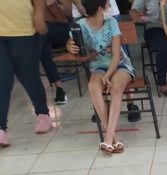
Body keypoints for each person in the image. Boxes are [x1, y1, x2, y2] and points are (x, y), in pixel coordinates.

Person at [67, 0, 136, 153]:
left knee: (116, 87)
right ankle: (113, 137)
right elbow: (70, 42)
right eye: (107, 4)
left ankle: (108, 138)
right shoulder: (80, 25)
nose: (110, 6)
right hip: (98, 67)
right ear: (100, 9)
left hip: (120, 65)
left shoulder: (111, 23)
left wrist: (108, 75)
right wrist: (69, 46)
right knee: (93, 86)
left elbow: (117, 55)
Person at [0, 0, 53, 147]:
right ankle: (1, 127)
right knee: (3, 80)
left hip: (23, 29)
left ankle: (43, 114)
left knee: (29, 76)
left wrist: (39, 15)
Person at [41, 0, 72, 105]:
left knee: (41, 37)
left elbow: (70, 13)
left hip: (63, 29)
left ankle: (59, 88)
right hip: (43, 34)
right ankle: (59, 88)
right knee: (42, 44)